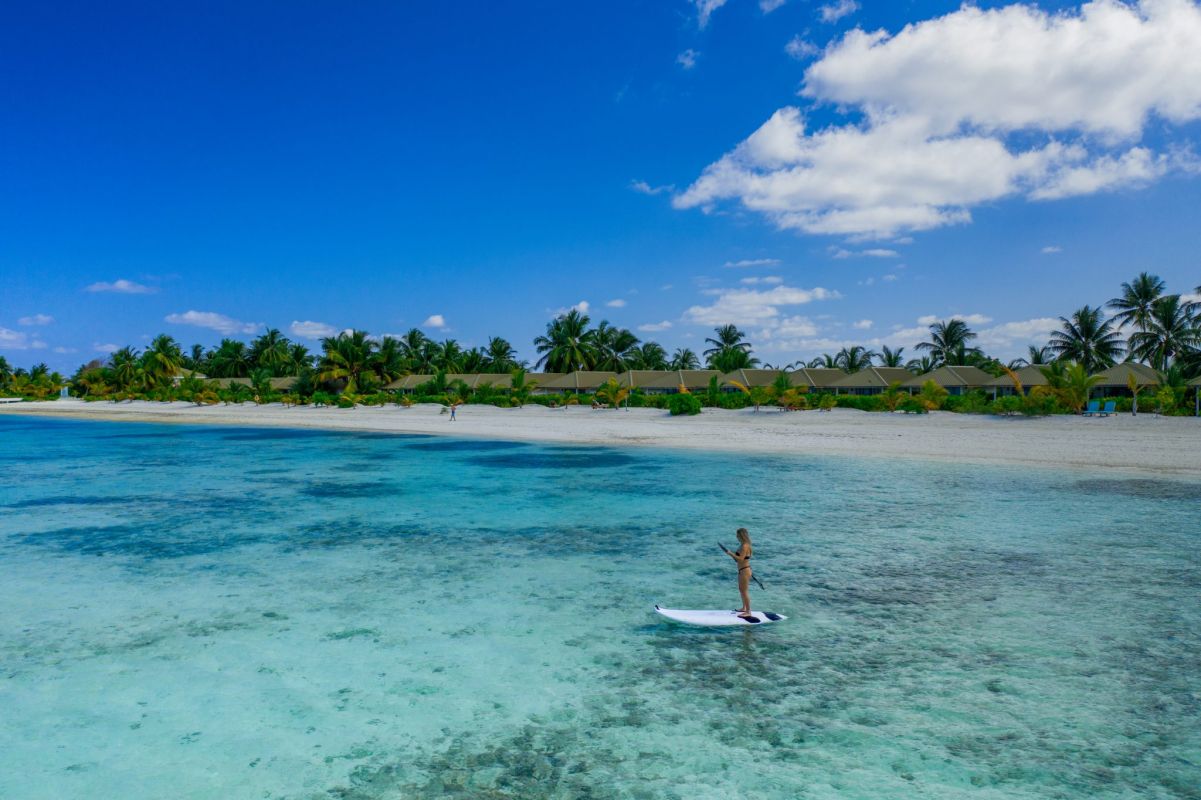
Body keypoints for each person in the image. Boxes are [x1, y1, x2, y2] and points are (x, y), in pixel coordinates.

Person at [725, 527, 753, 617]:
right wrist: (732, 555)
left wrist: (730, 553)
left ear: (741, 535)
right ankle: (744, 608)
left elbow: (740, 559)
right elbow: (738, 560)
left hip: (745, 570)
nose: (736, 536)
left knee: (744, 591)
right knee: (741, 589)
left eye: (737, 535)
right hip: (742, 570)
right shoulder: (743, 545)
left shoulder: (745, 546)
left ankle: (748, 611)